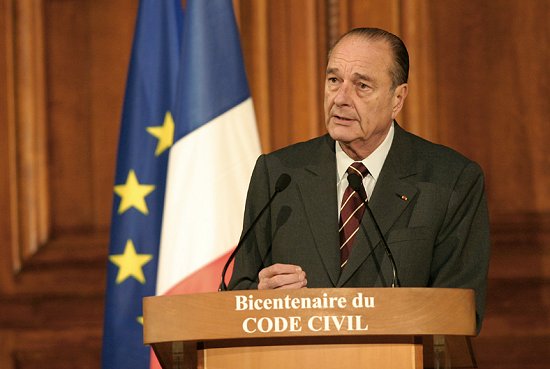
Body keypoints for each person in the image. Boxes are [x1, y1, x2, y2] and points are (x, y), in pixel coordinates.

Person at [228, 27, 490, 331]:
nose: (340, 98)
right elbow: (236, 293)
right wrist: (261, 299)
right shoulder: (278, 174)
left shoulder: (451, 180)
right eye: (334, 80)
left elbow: (458, 312)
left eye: (362, 86)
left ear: (397, 99)